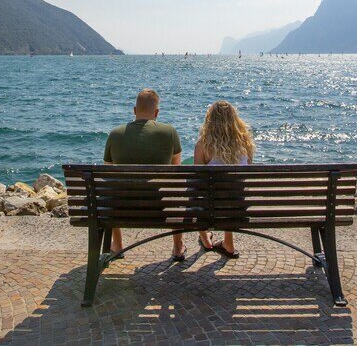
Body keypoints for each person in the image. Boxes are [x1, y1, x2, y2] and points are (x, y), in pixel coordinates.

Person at [103, 88, 186, 261]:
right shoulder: (169, 132)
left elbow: (107, 175)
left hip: (122, 208)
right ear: (157, 113)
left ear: (134, 110)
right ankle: (178, 247)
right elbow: (176, 172)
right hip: (160, 206)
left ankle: (117, 245)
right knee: (176, 191)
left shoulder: (115, 134)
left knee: (112, 190)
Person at [194, 100, 255, 258]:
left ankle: (205, 238)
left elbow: (197, 178)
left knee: (195, 194)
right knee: (232, 189)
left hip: (209, 208)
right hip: (238, 206)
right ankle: (228, 242)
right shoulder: (245, 143)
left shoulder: (203, 144)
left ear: (210, 120)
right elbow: (246, 174)